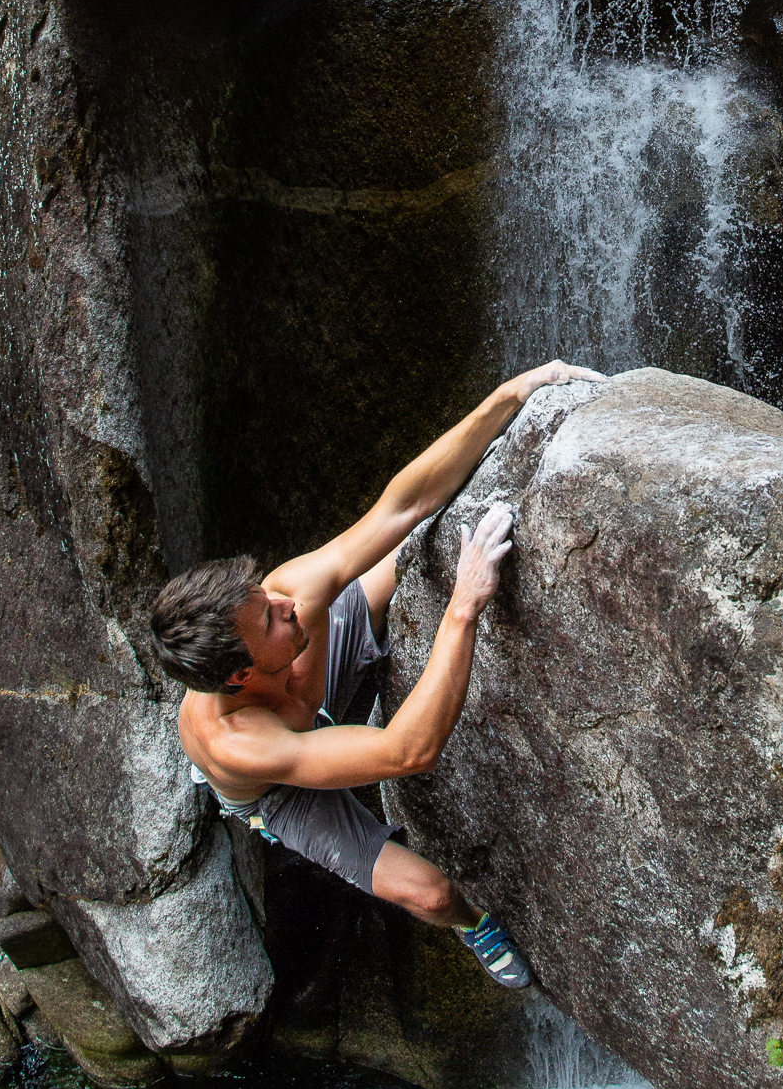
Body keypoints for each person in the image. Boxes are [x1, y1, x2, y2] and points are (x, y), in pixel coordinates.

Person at [149, 360, 600, 988]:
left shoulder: (288, 600)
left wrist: (513, 393)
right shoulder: (239, 742)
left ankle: (348, 685)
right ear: (237, 677)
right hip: (283, 788)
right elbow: (408, 751)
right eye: (272, 620)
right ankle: (474, 924)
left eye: (266, 595)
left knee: (418, 546)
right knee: (434, 895)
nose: (287, 602)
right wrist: (464, 604)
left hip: (306, 682)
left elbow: (404, 505)